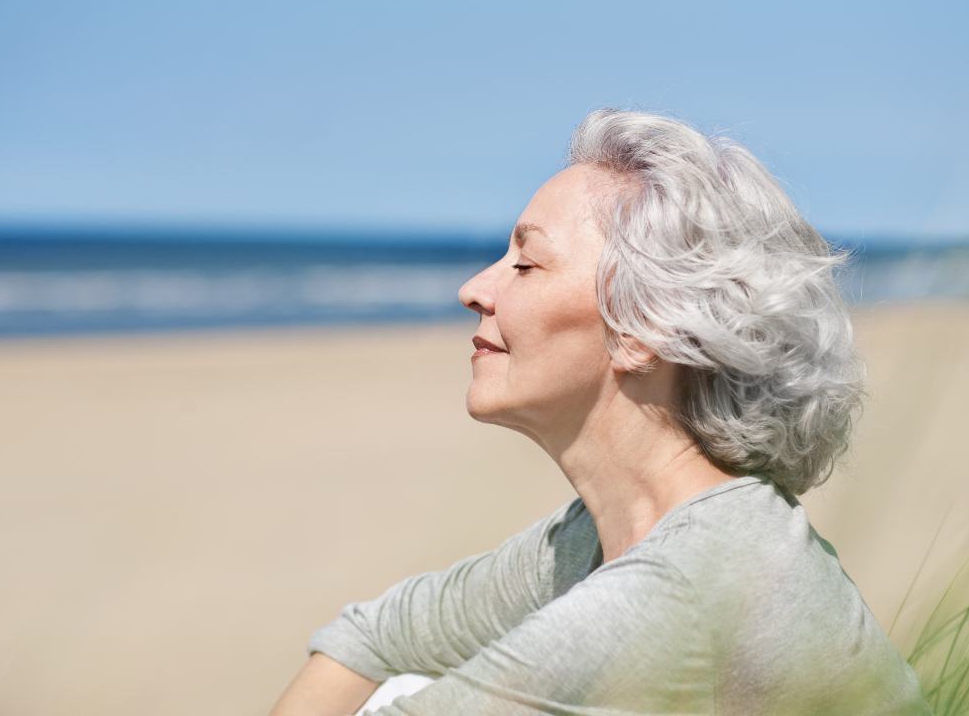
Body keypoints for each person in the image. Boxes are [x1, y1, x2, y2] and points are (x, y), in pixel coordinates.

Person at [268, 108, 932, 715]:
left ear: (643, 328)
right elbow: (375, 634)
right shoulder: (601, 538)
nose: (474, 289)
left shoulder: (682, 589)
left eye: (526, 265)